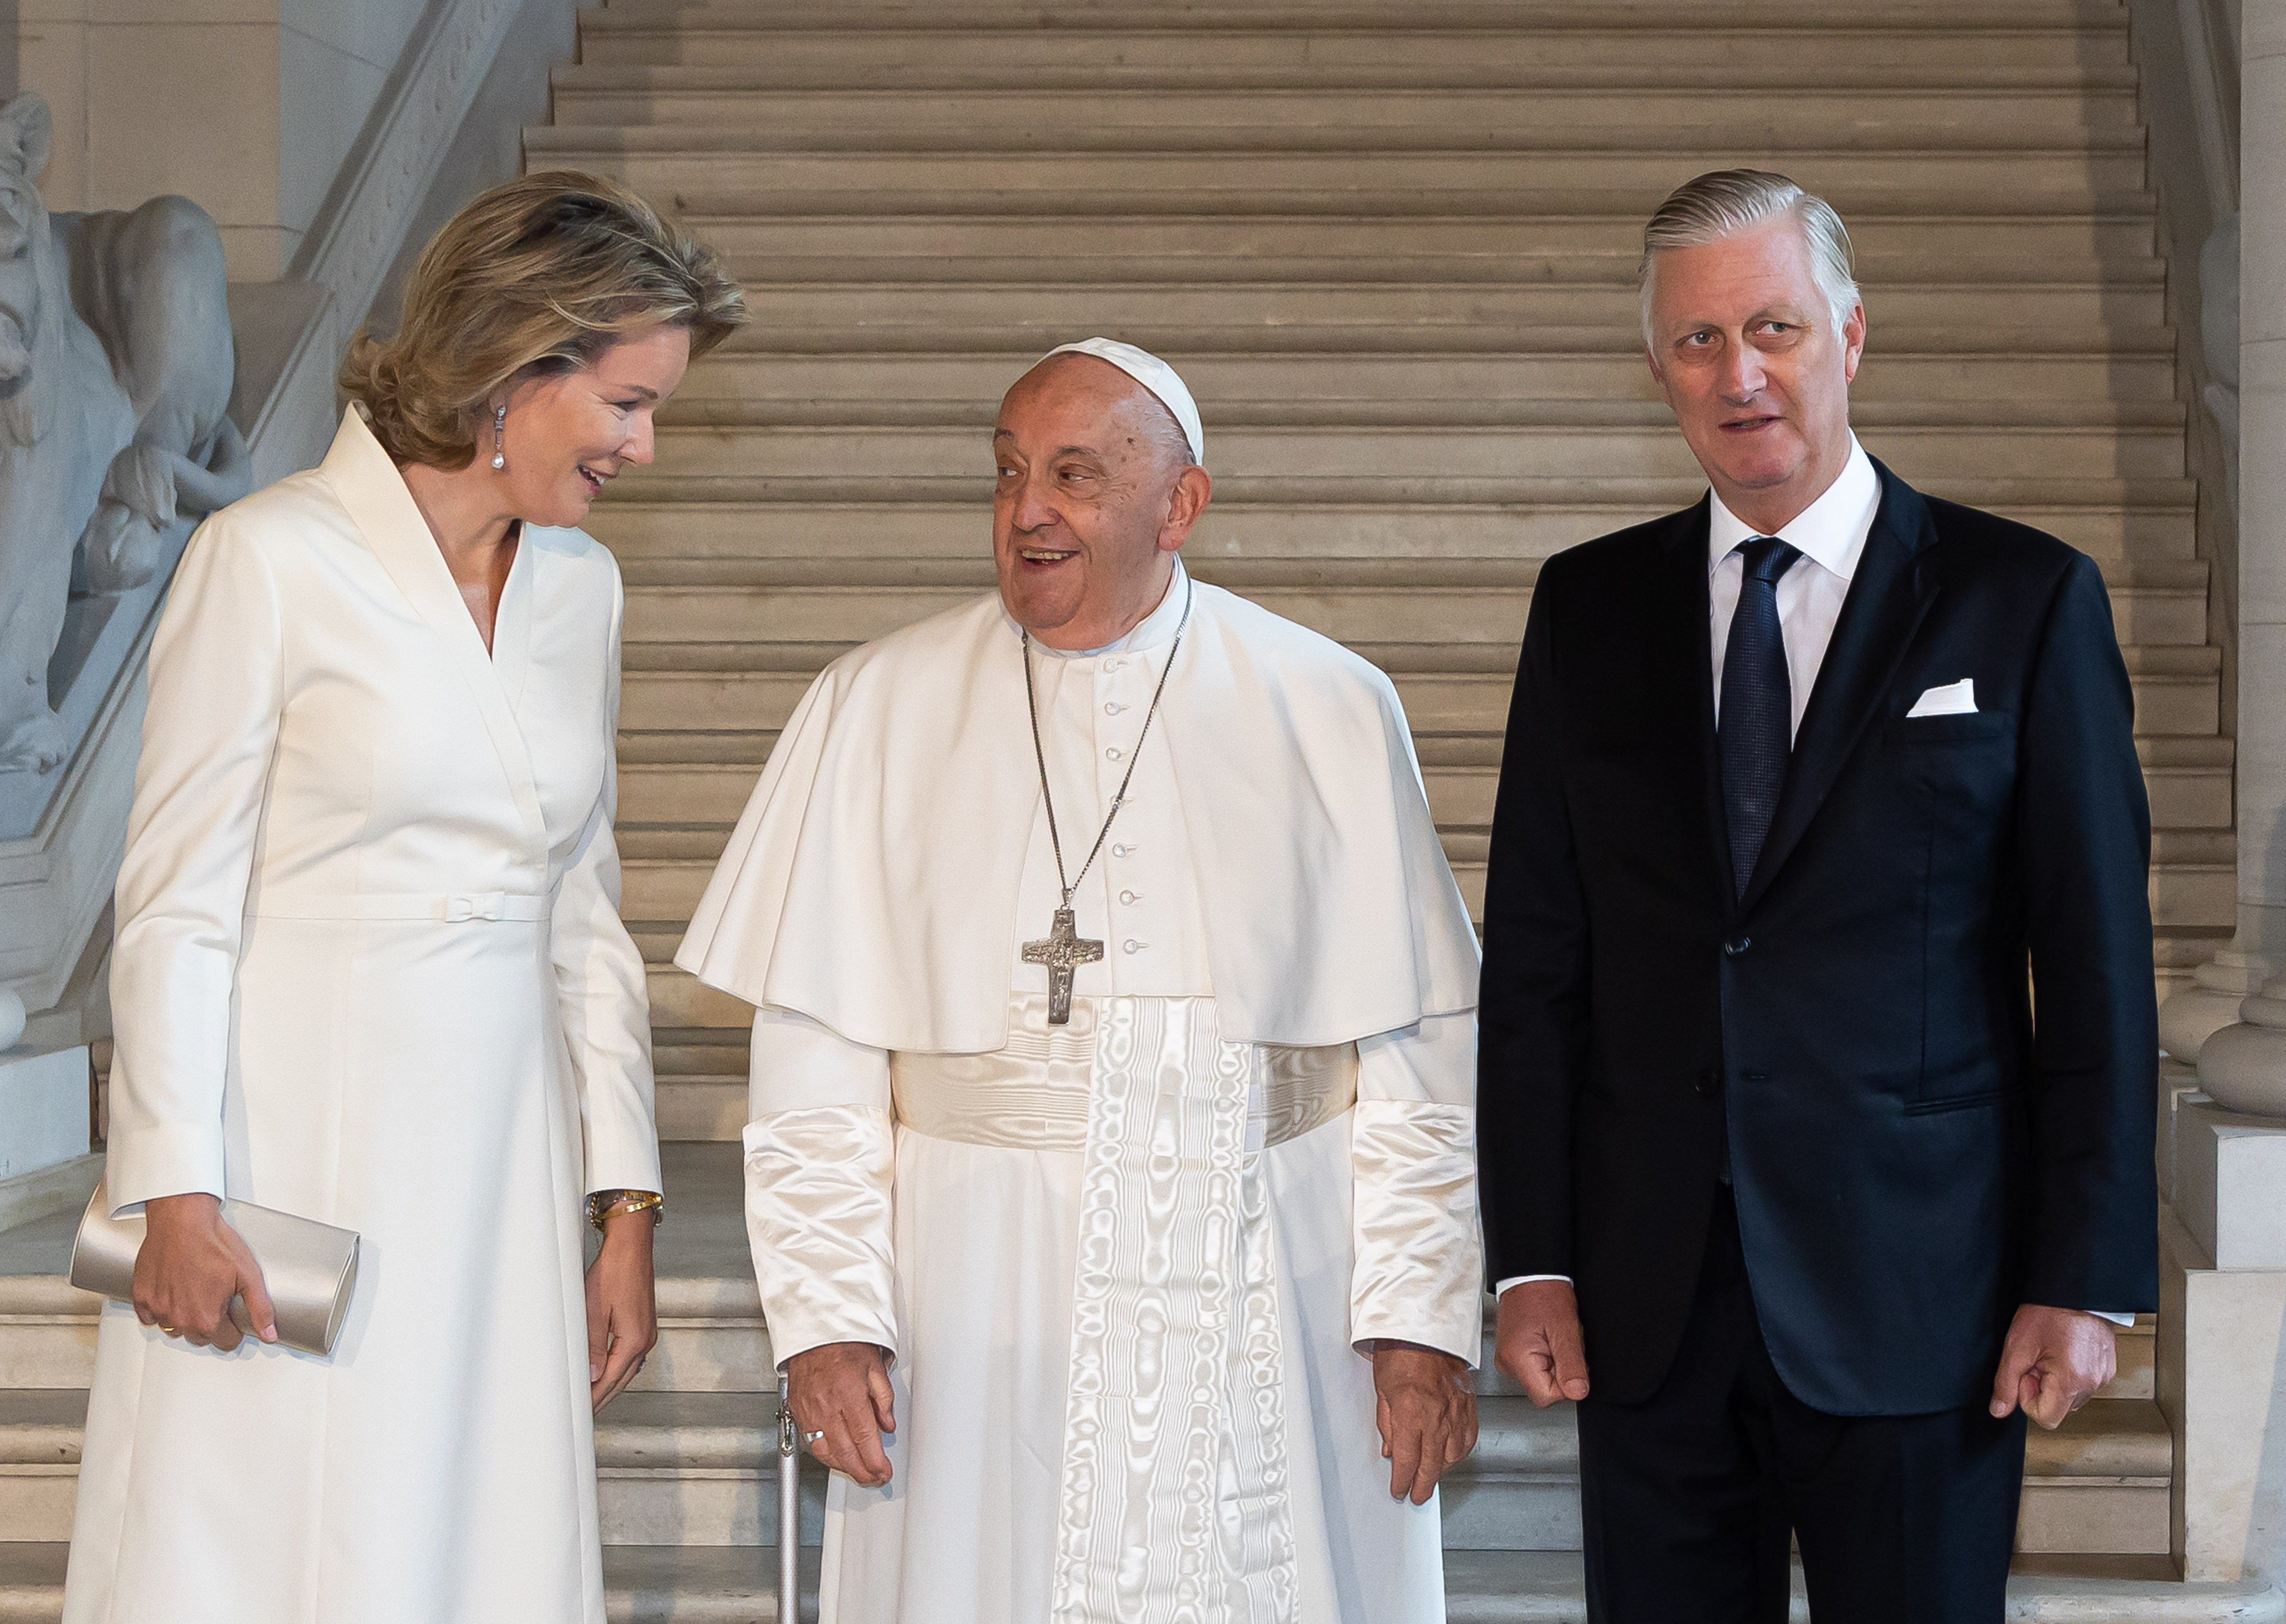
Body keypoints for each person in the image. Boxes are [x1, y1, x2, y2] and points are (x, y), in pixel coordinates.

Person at [678, 337, 1485, 1624]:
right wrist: (826, 1319)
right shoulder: (872, 705)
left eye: (1073, 476)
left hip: (1271, 1267)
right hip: (974, 1291)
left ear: (1181, 504)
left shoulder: (1328, 704)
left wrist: (1421, 1320)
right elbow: (813, 1072)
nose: (1028, 510)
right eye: (1007, 474)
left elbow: (1418, 1059)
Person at [1476, 169, 2159, 1623]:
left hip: (1925, 1296)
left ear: (1850, 337)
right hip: (1649, 1302)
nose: (1742, 374)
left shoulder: (2022, 598)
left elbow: (2095, 964)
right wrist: (1529, 1257)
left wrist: (2084, 1277)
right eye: (1700, 342)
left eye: (1774, 327)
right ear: (1656, 369)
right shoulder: (1585, 608)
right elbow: (1538, 963)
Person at [62, 172, 745, 1624]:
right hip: (293, 1144)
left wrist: (621, 1197)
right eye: (627, 402)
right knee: (267, 1529)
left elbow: (581, 907)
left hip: (499, 1157)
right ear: (518, 359)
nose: (641, 444)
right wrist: (170, 1187)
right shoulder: (268, 561)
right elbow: (175, 904)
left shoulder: (583, 593)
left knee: (475, 1530)